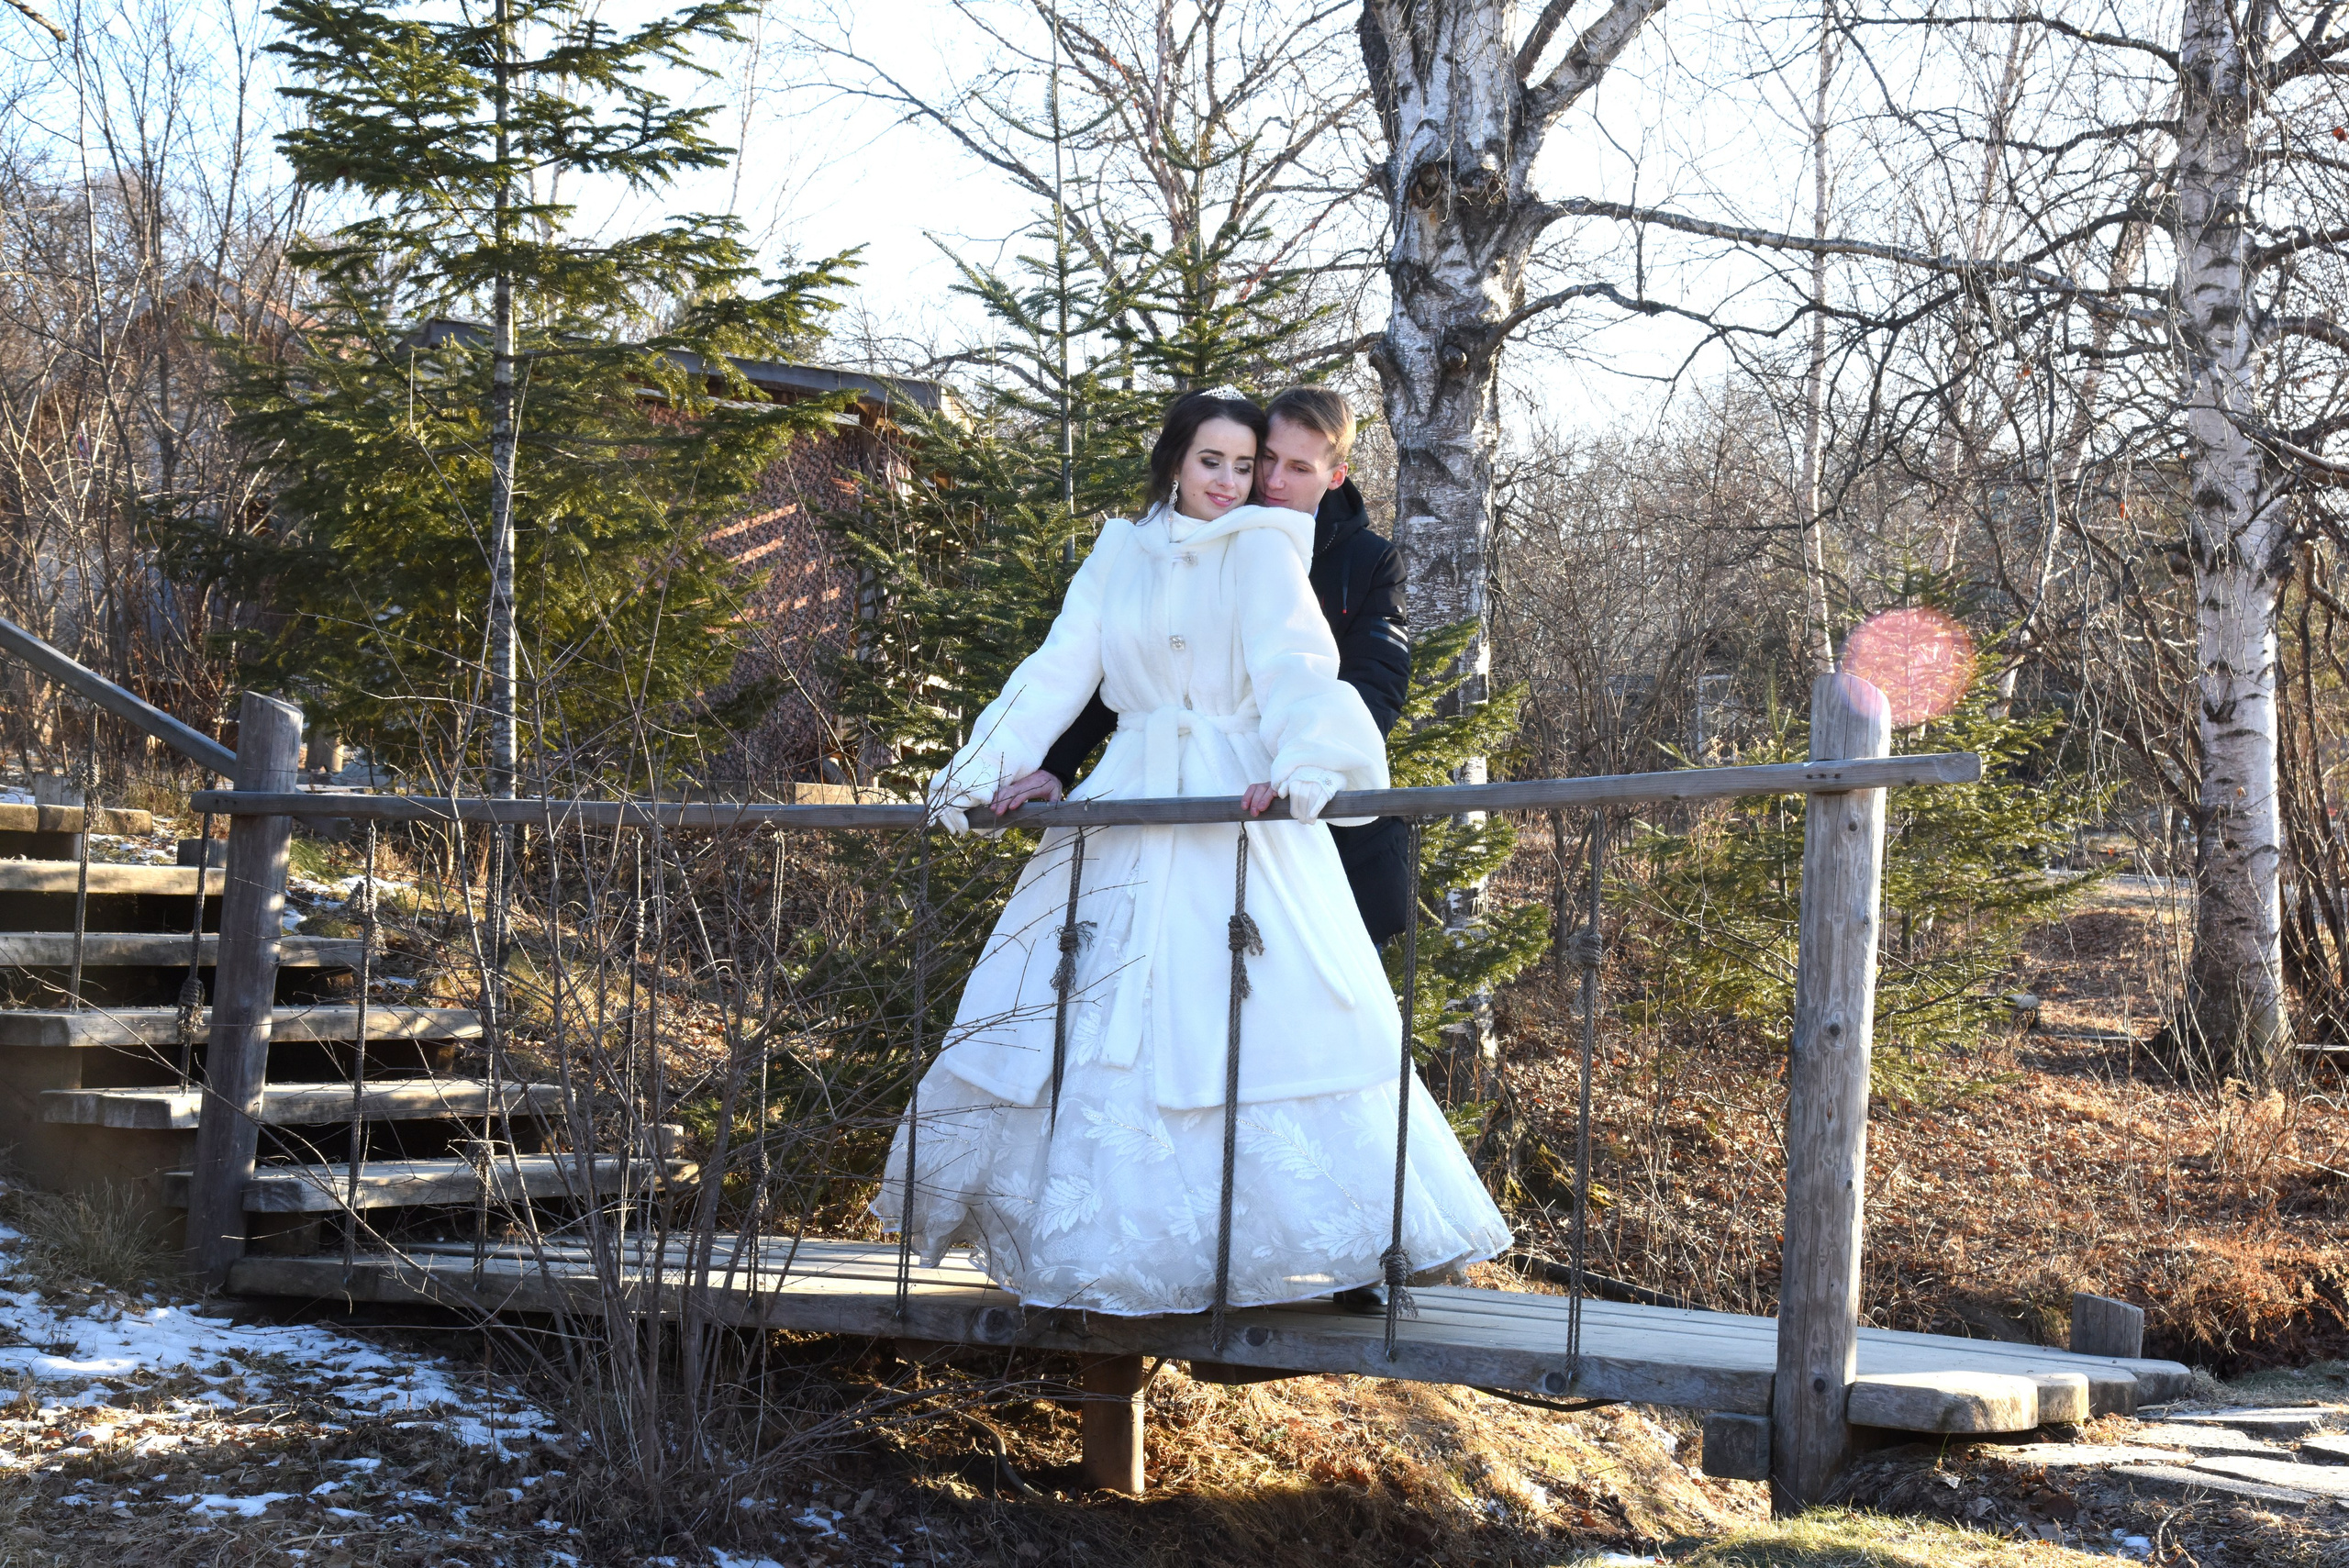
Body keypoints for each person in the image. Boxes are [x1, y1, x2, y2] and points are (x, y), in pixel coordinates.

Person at [876, 389, 1508, 1318]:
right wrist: (995, 770)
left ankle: (1336, 1243)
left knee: (1269, 1003)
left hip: (1233, 791)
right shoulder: (1116, 551)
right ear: (1174, 458)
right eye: (1211, 460)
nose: (1230, 480)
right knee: (1087, 1003)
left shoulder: (1263, 547)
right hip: (1128, 788)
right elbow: (1060, 666)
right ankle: (1087, 1249)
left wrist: (1306, 760)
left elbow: (1299, 663)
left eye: (1245, 465)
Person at [999, 387, 1416, 946]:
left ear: (1334, 476)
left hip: (1301, 808)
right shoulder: (1176, 542)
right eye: (1263, 460)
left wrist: (1308, 761)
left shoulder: (1365, 561)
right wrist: (1056, 762)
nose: (1269, 481)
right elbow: (1135, 667)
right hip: (1167, 780)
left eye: (1296, 467)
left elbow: (1371, 682)